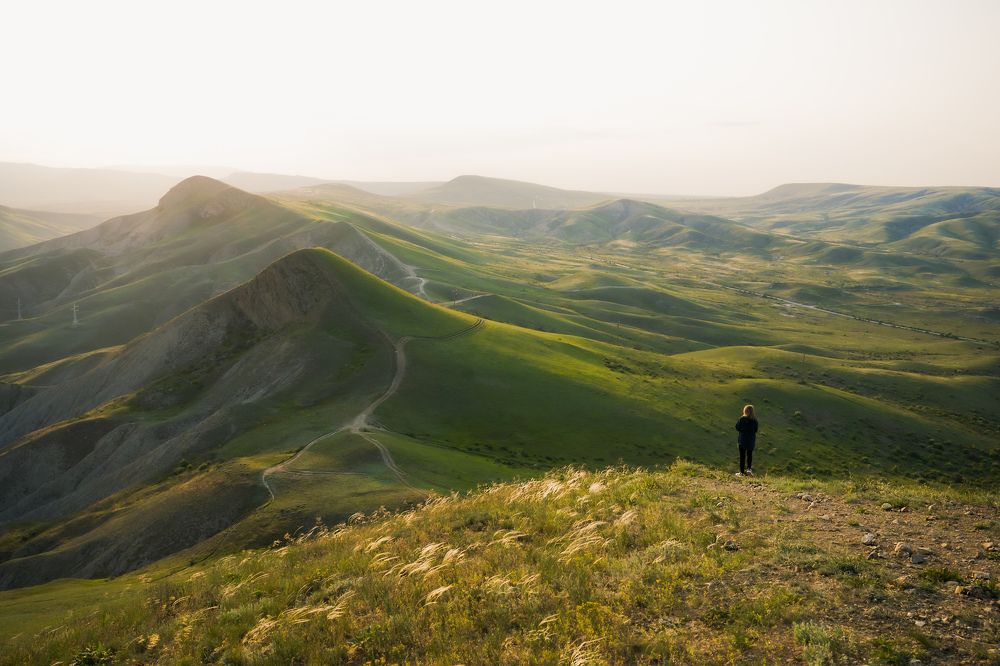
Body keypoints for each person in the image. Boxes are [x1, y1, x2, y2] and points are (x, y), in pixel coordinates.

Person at [734, 404, 758, 476]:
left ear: (745, 410)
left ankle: (741, 472)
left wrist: (743, 430)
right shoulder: (754, 421)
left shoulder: (742, 419)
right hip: (751, 440)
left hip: (742, 440)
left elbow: (737, 427)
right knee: (749, 455)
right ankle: (749, 470)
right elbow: (756, 430)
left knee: (742, 456)